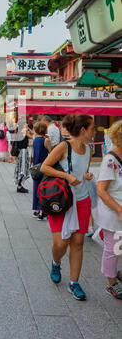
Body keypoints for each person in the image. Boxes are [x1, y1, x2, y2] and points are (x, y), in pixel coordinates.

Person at [40, 114, 95, 301]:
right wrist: (67, 177)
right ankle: (56, 262)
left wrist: (86, 176)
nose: (94, 132)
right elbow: (44, 168)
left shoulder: (88, 150)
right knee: (60, 244)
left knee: (78, 243)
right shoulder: (64, 146)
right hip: (61, 201)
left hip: (82, 200)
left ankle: (74, 283)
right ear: (82, 130)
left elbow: (83, 171)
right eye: (92, 129)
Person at [95, 120, 122, 301]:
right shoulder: (110, 160)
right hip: (114, 214)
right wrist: (120, 210)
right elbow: (101, 190)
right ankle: (111, 283)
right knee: (113, 249)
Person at [32, 122, 52, 220]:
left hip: (35, 167)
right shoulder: (46, 140)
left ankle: (36, 209)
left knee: (36, 188)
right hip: (44, 167)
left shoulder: (35, 140)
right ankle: (42, 211)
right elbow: (51, 152)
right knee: (43, 189)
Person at [14, 123, 32, 194]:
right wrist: (27, 131)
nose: (27, 128)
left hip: (20, 152)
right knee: (22, 168)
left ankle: (19, 185)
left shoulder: (19, 132)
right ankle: (19, 186)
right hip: (23, 152)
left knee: (20, 168)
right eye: (26, 126)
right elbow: (31, 136)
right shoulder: (23, 133)